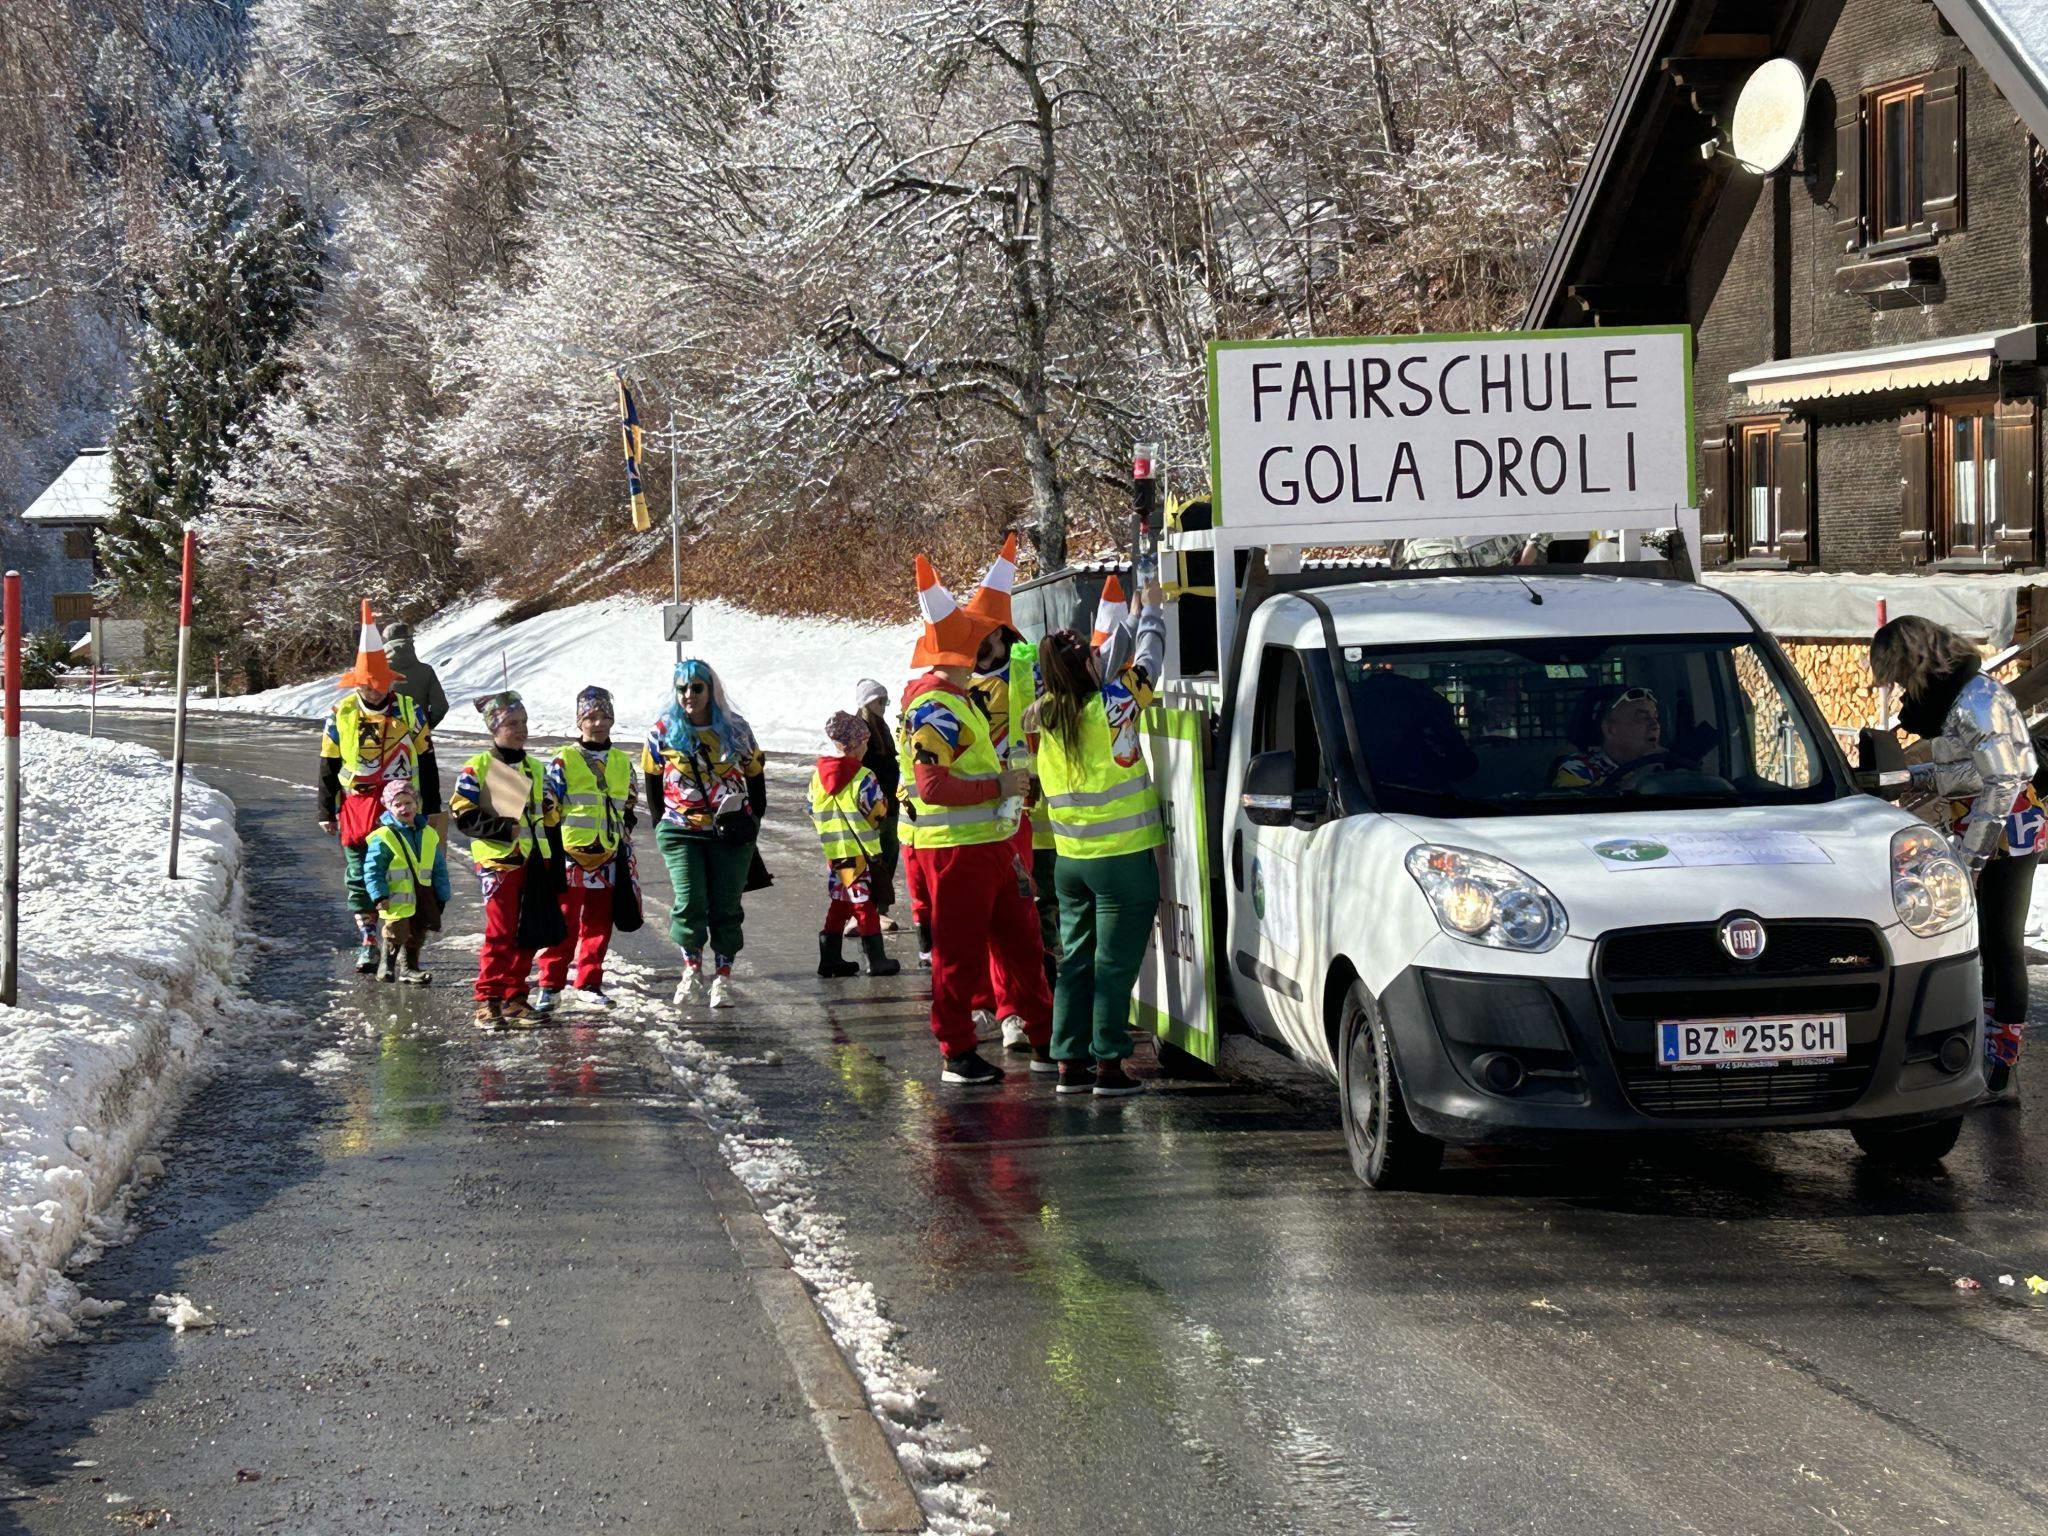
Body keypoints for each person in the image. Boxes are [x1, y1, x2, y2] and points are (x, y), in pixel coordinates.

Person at [1872, 615, 2043, 1101]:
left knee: (2002, 946)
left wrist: (1972, 857)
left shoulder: (1980, 699)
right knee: (1981, 944)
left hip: (2007, 828)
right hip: (1979, 825)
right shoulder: (1953, 699)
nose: (1900, 686)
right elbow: (1963, 770)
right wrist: (1909, 780)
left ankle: (2001, 1070)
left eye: (1899, 674)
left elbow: (2007, 778)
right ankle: (1984, 1055)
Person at [900, 555, 1053, 1085]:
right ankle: (956, 1051)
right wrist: (1002, 786)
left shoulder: (954, 699)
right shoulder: (934, 706)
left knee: (1023, 943)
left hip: (994, 843)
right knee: (961, 957)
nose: (988, 646)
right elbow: (932, 787)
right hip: (959, 851)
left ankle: (1044, 1038)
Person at [1034, 581, 1167, 1096]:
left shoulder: (1045, 716)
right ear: (1087, 668)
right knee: (1114, 967)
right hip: (1123, 862)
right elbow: (1150, 661)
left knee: (1077, 963)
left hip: (1071, 864)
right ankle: (1108, 1064)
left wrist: (1128, 623)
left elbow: (1107, 662)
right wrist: (1152, 615)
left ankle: (1069, 1061)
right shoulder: (1113, 706)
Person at [963, 532, 1058, 1050]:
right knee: (984, 920)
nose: (977, 649)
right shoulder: (956, 685)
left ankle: (1020, 1010)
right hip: (975, 814)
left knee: (1019, 917)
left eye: (984, 638)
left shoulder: (1031, 672)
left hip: (1025, 814)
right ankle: (998, 1009)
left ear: (1002, 631)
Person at [319, 601, 441, 974]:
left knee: (400, 873)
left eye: (378, 685)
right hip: (356, 806)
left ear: (390, 679)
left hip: (402, 807)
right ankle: (368, 939)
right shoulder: (341, 713)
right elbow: (328, 762)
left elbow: (427, 759)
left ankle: (400, 940)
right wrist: (325, 809)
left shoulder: (409, 710)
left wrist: (433, 806)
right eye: (366, 686)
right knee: (360, 874)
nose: (373, 692)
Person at [643, 659, 765, 1009]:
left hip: (731, 833)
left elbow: (755, 775)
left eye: (696, 688)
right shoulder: (662, 731)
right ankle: (691, 972)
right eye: (682, 688)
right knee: (690, 900)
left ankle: (722, 979)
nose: (688, 695)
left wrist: (753, 820)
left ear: (711, 691)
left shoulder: (736, 729)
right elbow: (652, 779)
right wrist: (659, 822)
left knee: (726, 906)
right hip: (681, 831)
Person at [449, 689, 562, 1028]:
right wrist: (498, 828)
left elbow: (549, 818)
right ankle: (488, 998)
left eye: (524, 721)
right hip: (500, 864)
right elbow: (461, 812)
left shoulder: (535, 767)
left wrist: (555, 859)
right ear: (495, 728)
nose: (521, 728)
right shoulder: (481, 766)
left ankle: (515, 996)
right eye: (512, 723)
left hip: (534, 861)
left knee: (530, 931)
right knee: (500, 933)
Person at [535, 686, 639, 1012]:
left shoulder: (623, 761)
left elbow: (630, 804)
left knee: (599, 923)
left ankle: (589, 982)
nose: (599, 723)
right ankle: (550, 984)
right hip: (571, 855)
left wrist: (624, 834)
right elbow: (547, 807)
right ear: (579, 721)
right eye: (591, 717)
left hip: (607, 855)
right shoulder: (564, 759)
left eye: (605, 716)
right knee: (564, 922)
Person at [811, 711, 901, 979]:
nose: (866, 746)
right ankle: (876, 959)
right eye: (863, 740)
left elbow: (810, 807)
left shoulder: (818, 776)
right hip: (860, 852)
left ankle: (830, 959)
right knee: (865, 904)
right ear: (851, 744)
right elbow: (877, 810)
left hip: (835, 853)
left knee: (840, 903)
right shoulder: (863, 776)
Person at [362, 778, 451, 986]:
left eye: (408, 802)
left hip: (423, 894)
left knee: (418, 931)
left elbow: (439, 866)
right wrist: (379, 894)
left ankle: (410, 968)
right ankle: (386, 965)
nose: (404, 808)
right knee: (396, 930)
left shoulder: (428, 833)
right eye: (398, 804)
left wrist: (442, 894)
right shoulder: (383, 836)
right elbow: (372, 869)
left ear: (416, 804)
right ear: (388, 807)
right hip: (395, 897)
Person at [854, 678, 902, 930]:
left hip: (889, 802)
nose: (884, 705)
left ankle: (878, 907)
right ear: (868, 702)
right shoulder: (859, 729)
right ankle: (868, 909)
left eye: (886, 700)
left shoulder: (881, 726)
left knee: (889, 852)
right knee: (875, 855)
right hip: (871, 804)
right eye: (880, 701)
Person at [1552, 685, 1664, 789]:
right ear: (1610, 730)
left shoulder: (1668, 763)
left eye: (1655, 717)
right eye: (1642, 718)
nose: (1655, 726)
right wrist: (1641, 774)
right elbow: (1578, 808)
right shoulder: (1577, 768)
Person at [382, 620, 450, 730]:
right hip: (420, 734)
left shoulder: (377, 673)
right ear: (410, 641)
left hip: (388, 735)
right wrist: (425, 726)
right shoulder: (426, 671)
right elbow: (441, 707)